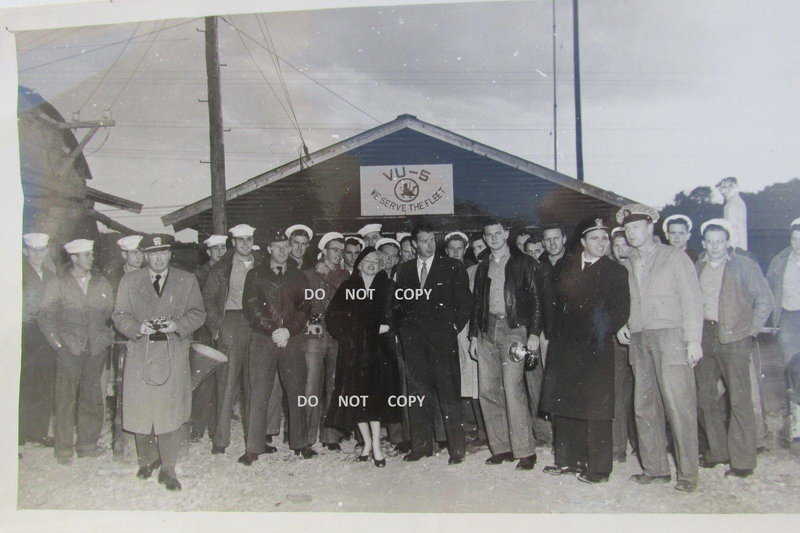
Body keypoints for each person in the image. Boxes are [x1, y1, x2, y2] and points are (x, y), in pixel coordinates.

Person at [616, 203, 704, 492]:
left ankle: (688, 474)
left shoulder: (674, 257)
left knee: (679, 406)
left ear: (650, 227)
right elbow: (626, 301)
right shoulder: (627, 262)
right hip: (640, 339)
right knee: (644, 406)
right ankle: (655, 470)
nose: (630, 233)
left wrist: (693, 341)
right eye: (627, 229)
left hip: (671, 338)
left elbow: (692, 301)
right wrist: (623, 323)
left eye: (636, 227)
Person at [112, 234, 205, 490]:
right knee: (141, 406)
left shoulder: (186, 281)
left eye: (163, 252)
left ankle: (168, 467)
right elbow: (119, 315)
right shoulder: (130, 281)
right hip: (141, 350)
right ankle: (147, 459)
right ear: (144, 255)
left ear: (170, 254)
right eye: (153, 254)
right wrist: (136, 327)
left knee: (170, 409)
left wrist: (178, 325)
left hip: (172, 351)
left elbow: (198, 313)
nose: (159, 258)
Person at [541, 218, 630, 483]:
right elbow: (551, 302)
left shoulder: (616, 271)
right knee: (565, 403)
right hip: (565, 347)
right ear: (583, 243)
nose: (601, 243)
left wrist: (596, 331)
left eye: (604, 239)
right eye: (595, 239)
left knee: (596, 408)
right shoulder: (564, 267)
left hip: (595, 348)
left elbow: (620, 311)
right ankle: (568, 461)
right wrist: (553, 330)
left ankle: (599, 469)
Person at [694, 219, 772, 478]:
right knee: (703, 396)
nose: (715, 246)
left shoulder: (743, 266)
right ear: (703, 243)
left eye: (720, 241)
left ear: (728, 243)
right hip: (705, 335)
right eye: (710, 241)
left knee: (739, 399)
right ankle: (718, 452)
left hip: (735, 337)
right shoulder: (698, 266)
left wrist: (750, 330)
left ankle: (742, 461)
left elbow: (765, 299)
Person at [393, 223, 471, 464]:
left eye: (431, 240)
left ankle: (457, 449)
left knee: (448, 393)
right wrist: (403, 331)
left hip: (442, 341)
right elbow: (397, 304)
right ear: (414, 244)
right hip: (414, 342)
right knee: (417, 394)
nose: (427, 245)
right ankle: (421, 445)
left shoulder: (452, 266)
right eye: (423, 241)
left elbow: (465, 303)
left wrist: (452, 328)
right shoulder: (404, 270)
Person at [469, 218, 541, 470]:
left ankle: (525, 450)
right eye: (488, 235)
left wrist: (533, 333)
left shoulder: (524, 263)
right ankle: (501, 447)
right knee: (488, 390)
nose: (493, 238)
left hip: (514, 330)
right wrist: (473, 336)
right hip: (488, 330)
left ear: (506, 234)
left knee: (512, 388)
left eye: (497, 233)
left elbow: (536, 300)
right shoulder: (482, 267)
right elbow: (476, 303)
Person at [39, 239, 115, 465]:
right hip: (70, 349)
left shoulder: (101, 283)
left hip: (95, 348)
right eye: (87, 255)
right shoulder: (58, 284)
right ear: (74, 258)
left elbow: (110, 312)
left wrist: (105, 339)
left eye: (91, 254)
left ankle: (87, 445)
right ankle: (63, 450)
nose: (91, 259)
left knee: (92, 397)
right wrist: (59, 346)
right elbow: (45, 318)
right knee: (65, 399)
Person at [241, 229, 312, 463]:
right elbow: (251, 306)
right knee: (259, 391)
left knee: (296, 390)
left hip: (291, 339)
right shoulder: (255, 274)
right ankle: (254, 447)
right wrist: (273, 330)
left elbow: (305, 308)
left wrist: (288, 330)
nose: (283, 251)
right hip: (264, 339)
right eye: (278, 246)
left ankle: (300, 444)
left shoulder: (299, 276)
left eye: (286, 246)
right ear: (269, 249)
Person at [325, 247, 399, 467]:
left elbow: (400, 311)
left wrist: (387, 327)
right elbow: (333, 317)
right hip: (354, 353)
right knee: (357, 399)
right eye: (367, 260)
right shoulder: (348, 287)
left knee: (375, 400)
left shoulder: (388, 286)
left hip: (379, 352)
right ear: (358, 264)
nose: (371, 264)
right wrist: (348, 337)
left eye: (376, 260)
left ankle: (376, 446)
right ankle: (366, 443)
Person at [202, 224, 264, 456]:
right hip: (231, 321)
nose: (246, 244)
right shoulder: (222, 268)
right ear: (233, 243)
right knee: (227, 383)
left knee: (254, 383)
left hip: (257, 324)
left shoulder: (261, 264)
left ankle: (254, 444)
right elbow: (207, 299)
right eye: (241, 240)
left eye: (249, 239)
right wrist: (216, 325)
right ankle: (220, 440)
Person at [303, 232, 350, 451]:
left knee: (334, 384)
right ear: (324, 251)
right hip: (315, 334)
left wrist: (328, 275)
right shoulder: (308, 274)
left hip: (337, 336)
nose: (338, 254)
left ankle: (330, 435)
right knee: (311, 385)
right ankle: (308, 436)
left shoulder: (345, 275)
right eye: (334, 249)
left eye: (341, 250)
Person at [444, 231, 486, 447]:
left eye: (459, 248)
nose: (455, 252)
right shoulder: (440, 272)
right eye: (451, 248)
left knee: (474, 378)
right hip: (449, 331)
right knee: (456, 378)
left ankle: (480, 428)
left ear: (465, 249)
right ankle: (465, 427)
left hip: (470, 329)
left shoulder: (473, 271)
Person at [105, 234, 144, 462]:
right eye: (134, 253)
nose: (138, 257)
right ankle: (123, 443)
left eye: (141, 253)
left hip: (144, 340)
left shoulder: (149, 276)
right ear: (124, 255)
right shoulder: (115, 278)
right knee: (123, 390)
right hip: (123, 339)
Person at [766, 217, 800, 454]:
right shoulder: (780, 261)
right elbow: (768, 290)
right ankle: (796, 425)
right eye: (795, 239)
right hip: (788, 318)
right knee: (793, 371)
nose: (798, 244)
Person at [189, 234, 227, 444]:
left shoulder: (227, 270)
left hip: (222, 329)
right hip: (205, 331)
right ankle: (197, 426)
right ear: (208, 252)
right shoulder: (199, 274)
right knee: (203, 380)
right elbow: (199, 305)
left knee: (222, 378)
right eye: (216, 249)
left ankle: (216, 425)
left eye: (223, 247)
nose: (220, 252)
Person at [20, 232, 57, 448]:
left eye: (41, 250)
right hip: (27, 332)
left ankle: (39, 431)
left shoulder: (51, 276)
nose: (37, 255)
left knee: (44, 381)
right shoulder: (19, 273)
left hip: (47, 334)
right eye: (33, 251)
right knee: (25, 382)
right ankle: (19, 432)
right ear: (26, 252)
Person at [610, 227, 638, 461]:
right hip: (618, 342)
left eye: (624, 245)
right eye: (616, 246)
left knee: (643, 393)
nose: (620, 251)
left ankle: (640, 443)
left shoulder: (639, 268)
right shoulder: (611, 271)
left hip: (640, 338)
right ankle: (618, 447)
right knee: (617, 394)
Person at [716, 176, 748, 251]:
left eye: (725, 187)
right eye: (721, 188)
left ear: (733, 187)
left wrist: (730, 248)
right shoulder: (733, 202)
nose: (722, 191)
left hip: (735, 248)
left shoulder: (733, 204)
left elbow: (733, 229)